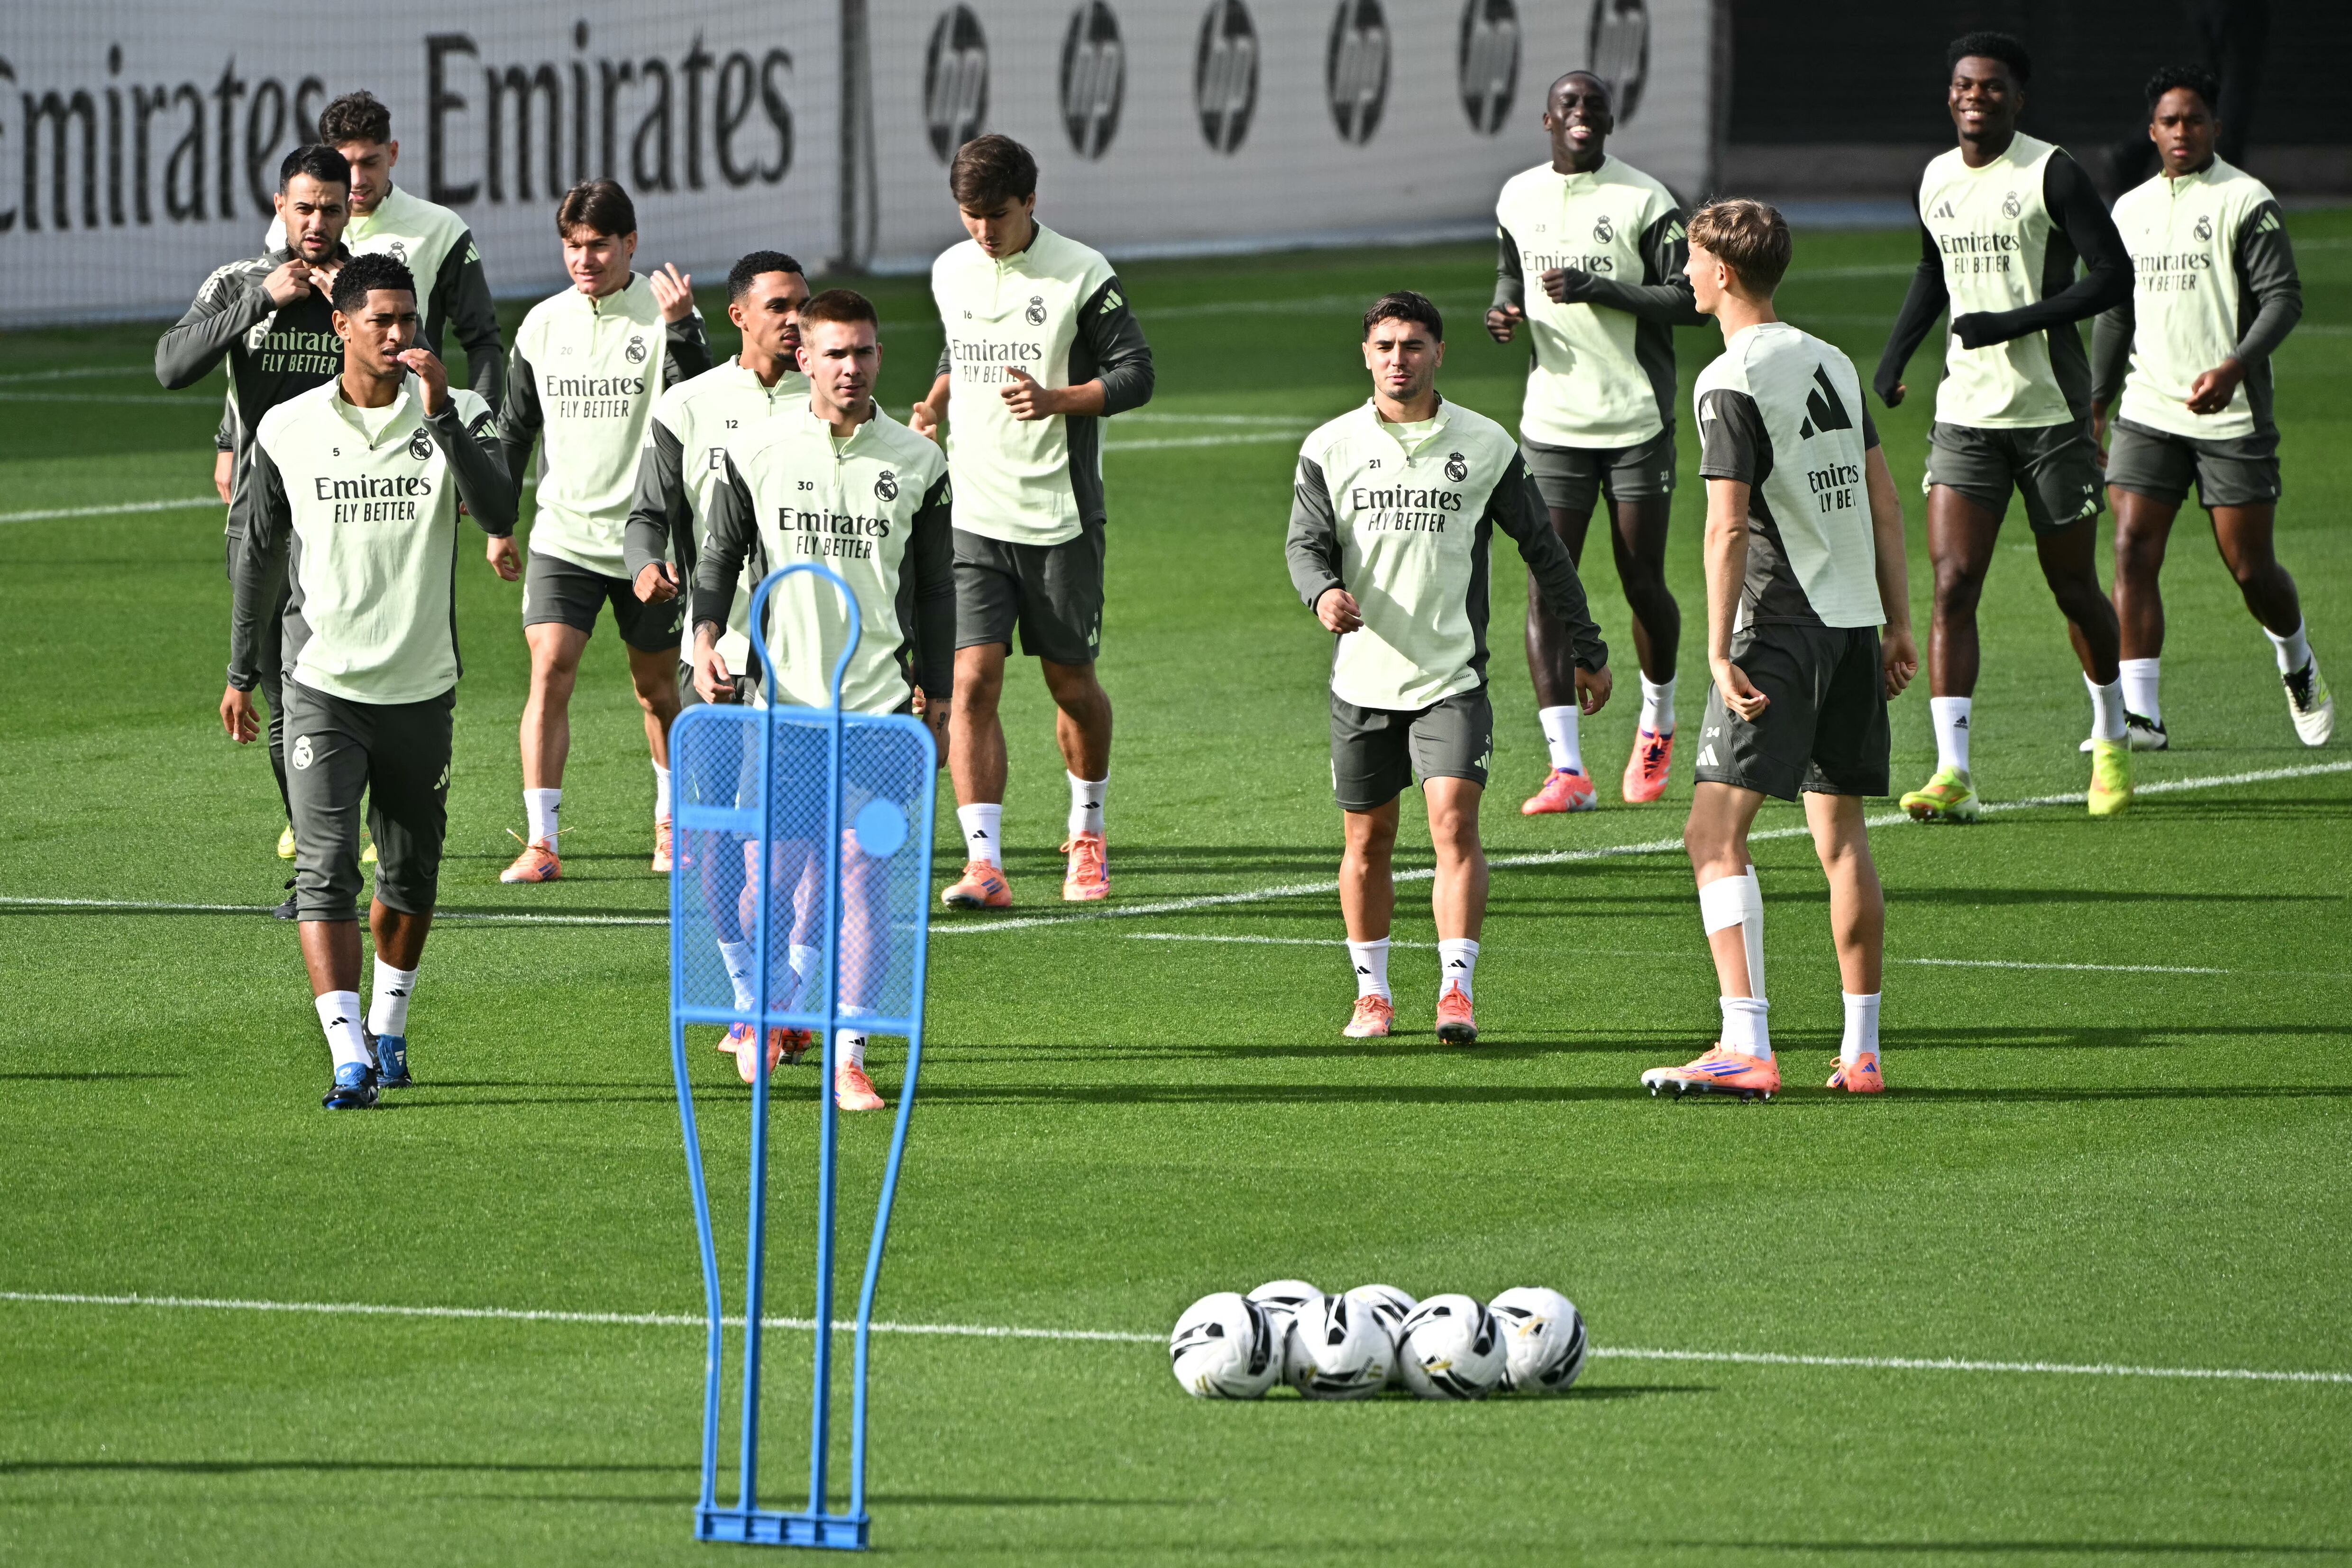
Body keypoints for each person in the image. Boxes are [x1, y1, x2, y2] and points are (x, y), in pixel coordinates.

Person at [219, 253, 519, 1108]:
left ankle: (390, 1026)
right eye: (380, 320)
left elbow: (501, 513)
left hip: (422, 687)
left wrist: (445, 418)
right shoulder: (287, 426)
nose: (397, 334)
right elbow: (258, 555)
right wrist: (244, 668)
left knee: (412, 875)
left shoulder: (462, 413)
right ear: (341, 326)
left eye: (408, 320)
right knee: (325, 870)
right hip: (320, 682)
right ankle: (348, 1053)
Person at [1639, 201, 1919, 1101]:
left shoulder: (1729, 378)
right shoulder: (1831, 358)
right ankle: (1862, 1053)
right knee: (1841, 841)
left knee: (1712, 833)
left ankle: (1743, 1042)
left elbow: (1726, 528)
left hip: (1778, 625)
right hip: (1851, 624)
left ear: (1721, 273)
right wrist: (1899, 625)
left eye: (1690, 261)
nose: (1684, 275)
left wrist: (1718, 652)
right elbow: (1883, 501)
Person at [1287, 292, 1611, 1045]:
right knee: (1367, 840)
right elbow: (1305, 545)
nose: (1398, 359)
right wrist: (1323, 592)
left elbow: (1545, 550)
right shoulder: (1329, 447)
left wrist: (1587, 645)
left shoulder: (1486, 445)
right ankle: (1372, 994)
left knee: (1452, 823)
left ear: (1439, 353)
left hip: (1451, 680)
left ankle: (1455, 990)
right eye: (1385, 346)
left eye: (1413, 345)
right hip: (1361, 682)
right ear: (1366, 355)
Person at [689, 289, 955, 1113]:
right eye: (835, 353)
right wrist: (704, 640)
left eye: (865, 352)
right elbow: (720, 552)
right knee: (770, 882)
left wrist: (939, 695)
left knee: (862, 874)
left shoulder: (918, 462)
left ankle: (849, 1054)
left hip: (881, 722)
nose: (852, 368)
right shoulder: (760, 450)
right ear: (803, 357)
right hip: (787, 716)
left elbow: (938, 593)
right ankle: (767, 1011)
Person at [1874, 31, 2135, 823]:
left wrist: (2014, 321)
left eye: (1990, 88)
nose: (1973, 98)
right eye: (1962, 86)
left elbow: (2113, 275)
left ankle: (2114, 736)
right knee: (1953, 583)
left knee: (2073, 585)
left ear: (2018, 99)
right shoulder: (1936, 178)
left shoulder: (2051, 172)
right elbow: (1932, 269)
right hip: (1965, 416)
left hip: (2051, 414)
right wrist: (1893, 358)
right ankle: (1953, 772)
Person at [909, 134, 1154, 910]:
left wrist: (1056, 400)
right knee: (970, 680)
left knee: (1070, 683)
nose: (983, 231)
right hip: (972, 516)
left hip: (1059, 519)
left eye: (998, 215)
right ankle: (984, 862)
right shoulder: (951, 269)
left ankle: (1087, 832)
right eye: (969, 215)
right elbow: (961, 346)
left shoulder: (1083, 272)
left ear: (1032, 202)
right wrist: (937, 401)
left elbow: (1136, 374)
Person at [2094, 65, 2329, 748]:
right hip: (2148, 409)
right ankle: (2143, 716)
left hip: (2230, 415)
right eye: (2169, 121)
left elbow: (2283, 299)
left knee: (2250, 568)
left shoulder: (2245, 199)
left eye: (2194, 120)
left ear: (2215, 129)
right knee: (2132, 547)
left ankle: (2296, 657)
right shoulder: (2129, 210)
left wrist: (2233, 367)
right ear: (2151, 131)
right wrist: (2097, 401)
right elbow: (2116, 313)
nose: (2181, 132)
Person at [1487, 70, 1698, 815]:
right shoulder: (1516, 196)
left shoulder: (1647, 199)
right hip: (1551, 425)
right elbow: (1508, 273)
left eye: (1594, 104)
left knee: (1642, 579)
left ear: (1610, 119)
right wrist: (1504, 309)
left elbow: (1692, 299)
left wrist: (1598, 288)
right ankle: (1567, 769)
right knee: (1548, 587)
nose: (1583, 113)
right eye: (1569, 104)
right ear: (1547, 118)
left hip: (1637, 421)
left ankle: (1659, 719)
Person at [624, 249, 815, 1072]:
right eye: (779, 305)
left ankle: (784, 998)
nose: (796, 318)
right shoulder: (689, 405)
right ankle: (750, 998)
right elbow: (647, 512)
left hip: (806, 661)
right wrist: (644, 566)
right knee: (721, 842)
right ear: (739, 315)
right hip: (714, 657)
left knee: (801, 847)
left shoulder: (834, 400)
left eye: (803, 304)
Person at [495, 179, 711, 883]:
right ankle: (541, 840)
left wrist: (682, 330)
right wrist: (501, 522)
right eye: (572, 246)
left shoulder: (664, 312)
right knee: (550, 670)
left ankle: (672, 822)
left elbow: (704, 407)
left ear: (631, 244)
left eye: (598, 246)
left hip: (646, 542)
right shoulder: (542, 324)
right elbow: (516, 428)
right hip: (564, 534)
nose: (584, 259)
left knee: (656, 688)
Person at [157, 145, 354, 907]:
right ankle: (317, 867)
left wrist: (355, 314)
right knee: (285, 696)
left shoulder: (369, 285)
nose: (317, 221)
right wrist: (263, 303)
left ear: (348, 208)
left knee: (346, 689)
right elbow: (173, 365)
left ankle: (342, 846)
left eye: (331, 207)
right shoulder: (239, 282)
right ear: (280, 205)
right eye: (303, 206)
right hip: (265, 524)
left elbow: (416, 366)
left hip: (351, 518)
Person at [222, 89, 506, 505]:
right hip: (311, 433)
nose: (356, 179)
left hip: (406, 437)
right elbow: (256, 339)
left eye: (369, 162)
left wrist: (479, 447)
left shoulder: (440, 230)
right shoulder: (289, 226)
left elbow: (482, 340)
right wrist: (230, 438)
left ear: (392, 153)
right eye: (345, 163)